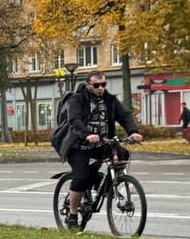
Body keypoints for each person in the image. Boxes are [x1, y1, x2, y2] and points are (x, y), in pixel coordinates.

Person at [55, 71, 144, 230]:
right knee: (82, 178)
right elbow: (74, 120)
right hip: (79, 146)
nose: (101, 88)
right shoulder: (78, 99)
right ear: (88, 85)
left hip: (102, 143)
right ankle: (72, 215)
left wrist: (133, 131)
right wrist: (87, 134)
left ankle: (112, 183)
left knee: (122, 154)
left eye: (103, 84)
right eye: (97, 85)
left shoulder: (109, 100)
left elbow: (124, 115)